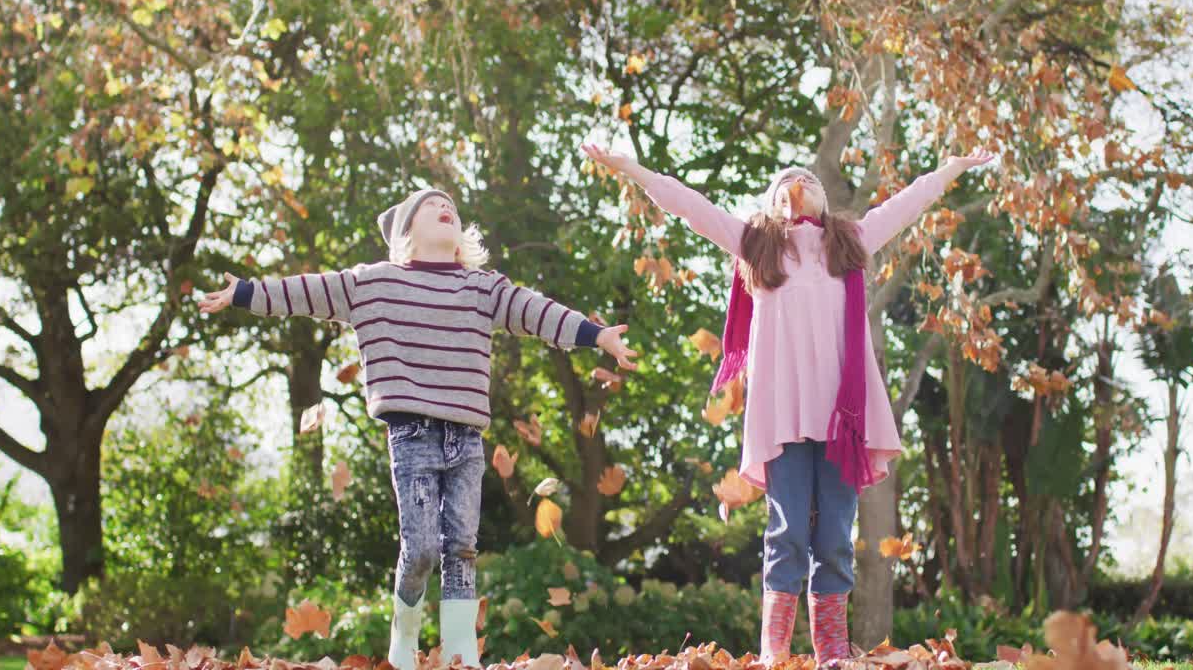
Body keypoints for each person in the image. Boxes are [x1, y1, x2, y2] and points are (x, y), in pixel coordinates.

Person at [581, 142, 994, 664]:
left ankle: (832, 655)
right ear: (772, 204)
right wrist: (631, 169)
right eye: (786, 182)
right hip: (783, 421)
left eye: (809, 180)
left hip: (843, 421)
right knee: (789, 531)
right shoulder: (755, 245)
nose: (799, 185)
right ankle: (774, 654)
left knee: (837, 539)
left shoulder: (852, 242)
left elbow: (908, 204)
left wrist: (951, 168)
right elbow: (688, 205)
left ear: (825, 202)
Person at [199, 188, 638, 669]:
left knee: (463, 549)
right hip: (411, 435)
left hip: (466, 438)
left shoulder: (482, 287)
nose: (444, 207)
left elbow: (537, 312)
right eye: (430, 205)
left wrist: (596, 335)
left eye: (450, 205)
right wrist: (243, 293)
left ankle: (459, 653)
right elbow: (303, 291)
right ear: (407, 232)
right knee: (423, 546)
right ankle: (403, 639)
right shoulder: (372, 283)